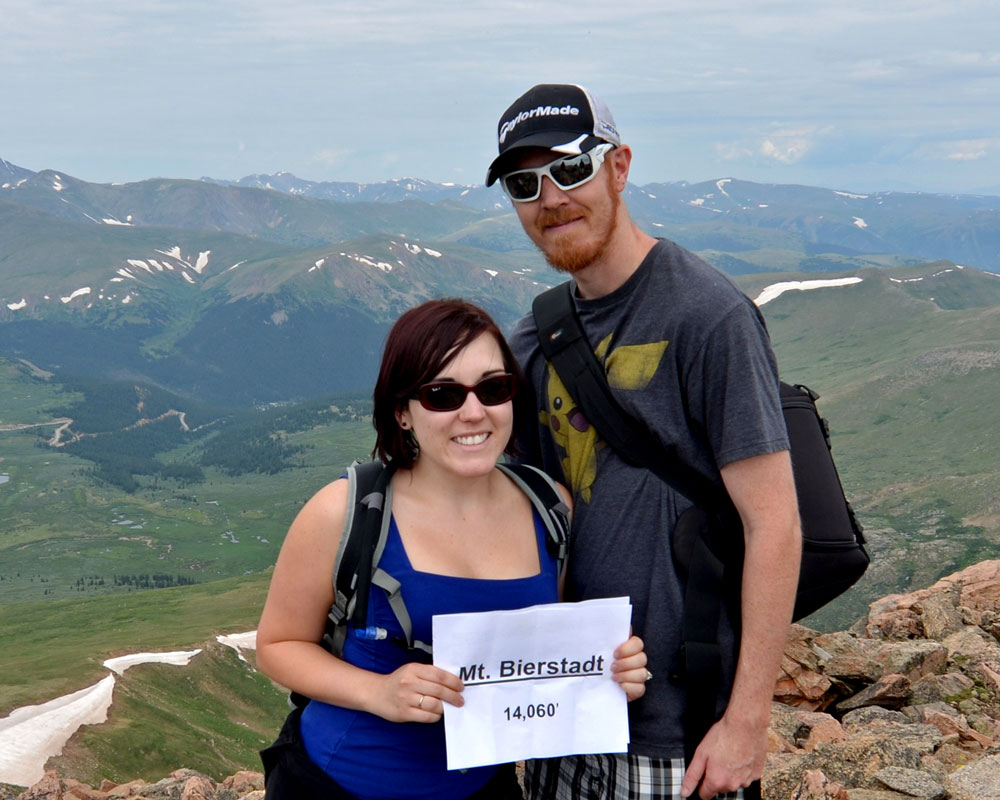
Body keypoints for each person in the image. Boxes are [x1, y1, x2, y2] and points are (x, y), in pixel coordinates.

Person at [485, 84, 802, 799]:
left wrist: (748, 722)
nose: (550, 199)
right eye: (523, 182)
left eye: (570, 170)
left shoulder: (708, 314)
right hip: (567, 717)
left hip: (681, 727)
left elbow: (774, 522)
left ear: (618, 167)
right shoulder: (533, 339)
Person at [256, 298, 649, 800]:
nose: (473, 412)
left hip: (486, 788)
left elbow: (554, 647)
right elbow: (278, 646)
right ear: (402, 412)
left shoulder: (551, 508)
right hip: (336, 785)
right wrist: (377, 692)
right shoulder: (345, 512)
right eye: (442, 394)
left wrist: (612, 670)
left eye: (493, 388)